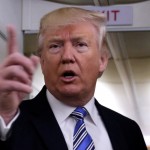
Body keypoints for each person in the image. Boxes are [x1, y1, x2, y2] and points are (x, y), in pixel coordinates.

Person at [0, 7, 147, 150]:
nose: (67, 56)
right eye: (55, 46)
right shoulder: (12, 121)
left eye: (80, 45)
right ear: (42, 61)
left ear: (102, 61)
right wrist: (5, 116)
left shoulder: (128, 132)